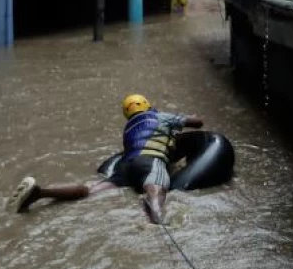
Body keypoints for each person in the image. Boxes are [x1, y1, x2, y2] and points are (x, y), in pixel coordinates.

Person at [10, 94, 204, 224]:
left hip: (125, 168)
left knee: (89, 190)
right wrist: (190, 117)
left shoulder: (128, 128)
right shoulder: (161, 116)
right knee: (157, 191)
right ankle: (156, 221)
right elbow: (197, 124)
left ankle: (40, 192)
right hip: (150, 161)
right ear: (147, 105)